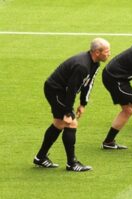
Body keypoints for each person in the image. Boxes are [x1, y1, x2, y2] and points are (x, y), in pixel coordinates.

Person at [33, 38, 111, 172]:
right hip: (56, 91)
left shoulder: (95, 64)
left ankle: (40, 158)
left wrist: (83, 103)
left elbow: (88, 83)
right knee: (71, 123)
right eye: (107, 51)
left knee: (58, 123)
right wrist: (68, 112)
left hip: (63, 91)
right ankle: (71, 163)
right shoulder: (82, 66)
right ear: (97, 52)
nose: (109, 54)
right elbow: (71, 89)